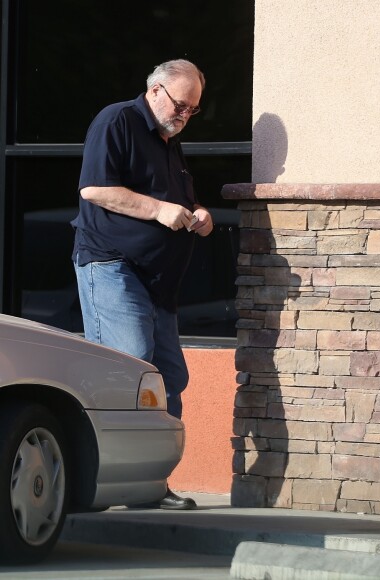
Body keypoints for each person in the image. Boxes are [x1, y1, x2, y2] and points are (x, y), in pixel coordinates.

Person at [71, 59, 213, 510]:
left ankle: (151, 484)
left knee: (168, 378)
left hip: (158, 283)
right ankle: (94, 483)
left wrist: (200, 214)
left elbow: (180, 203)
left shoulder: (170, 144)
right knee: (130, 373)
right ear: (154, 90)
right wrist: (157, 210)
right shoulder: (118, 120)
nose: (184, 115)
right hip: (113, 266)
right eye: (180, 105)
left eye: (192, 110)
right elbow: (94, 189)